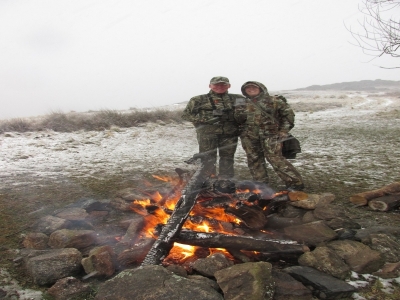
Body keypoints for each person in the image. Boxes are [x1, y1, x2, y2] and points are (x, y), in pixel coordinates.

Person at [235, 81, 304, 191]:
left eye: (254, 87)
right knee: (254, 160)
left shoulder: (274, 101)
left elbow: (288, 116)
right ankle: (261, 183)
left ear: (261, 88)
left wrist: (283, 131)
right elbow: (237, 119)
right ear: (244, 90)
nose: (251, 89)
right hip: (249, 137)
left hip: (270, 136)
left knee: (275, 159)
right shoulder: (241, 103)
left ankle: (294, 183)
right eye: (248, 88)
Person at [181, 76, 244, 179]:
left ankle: (225, 180)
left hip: (230, 134)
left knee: (227, 158)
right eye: (216, 84)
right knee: (207, 158)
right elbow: (186, 115)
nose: (220, 87)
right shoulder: (198, 99)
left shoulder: (238, 98)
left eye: (223, 84)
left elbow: (245, 113)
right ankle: (207, 180)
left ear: (229, 86)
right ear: (210, 86)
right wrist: (203, 120)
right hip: (207, 134)